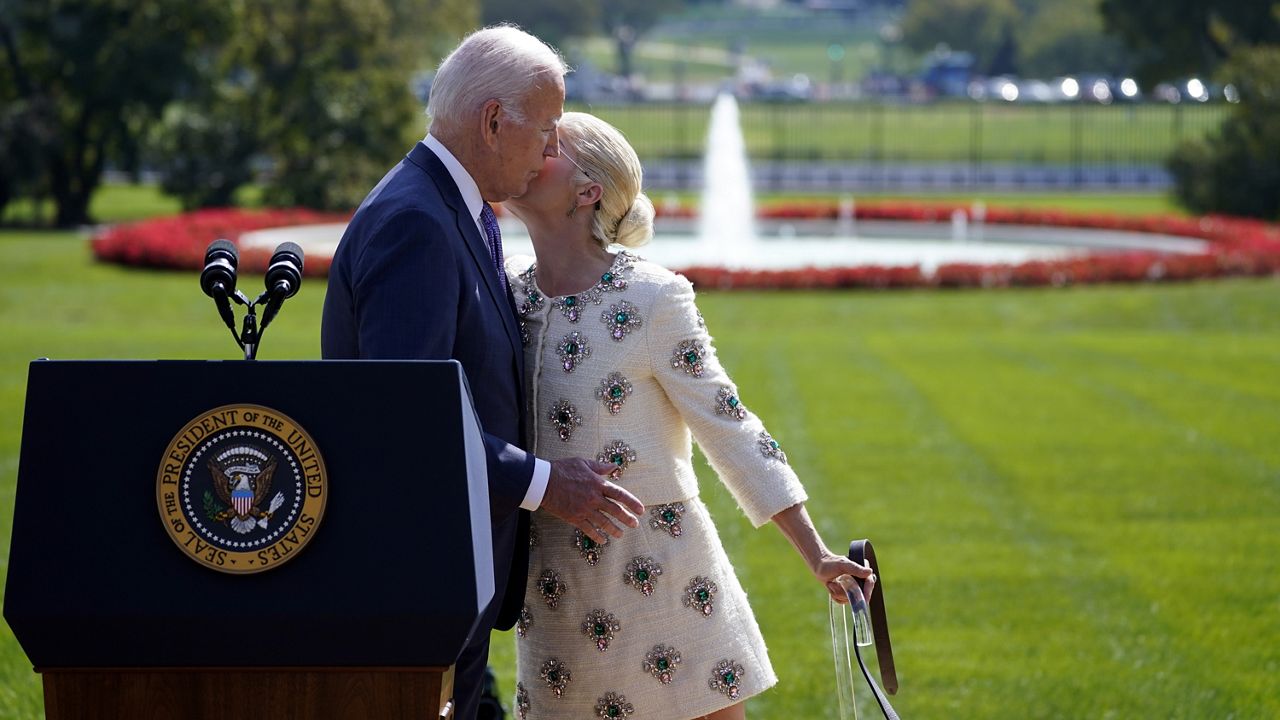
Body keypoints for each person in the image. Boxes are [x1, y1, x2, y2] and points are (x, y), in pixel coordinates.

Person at [501, 111, 876, 720]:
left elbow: (728, 422)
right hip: (555, 595)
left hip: (667, 587)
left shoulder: (653, 296)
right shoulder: (506, 289)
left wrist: (816, 553)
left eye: (553, 143)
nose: (533, 145)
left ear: (586, 189)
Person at [320, 27, 644, 720]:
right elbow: (403, 422)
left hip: (447, 570)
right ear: (494, 123)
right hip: (416, 572)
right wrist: (545, 483)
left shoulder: (450, 209)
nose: (554, 150)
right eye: (548, 130)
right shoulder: (418, 224)